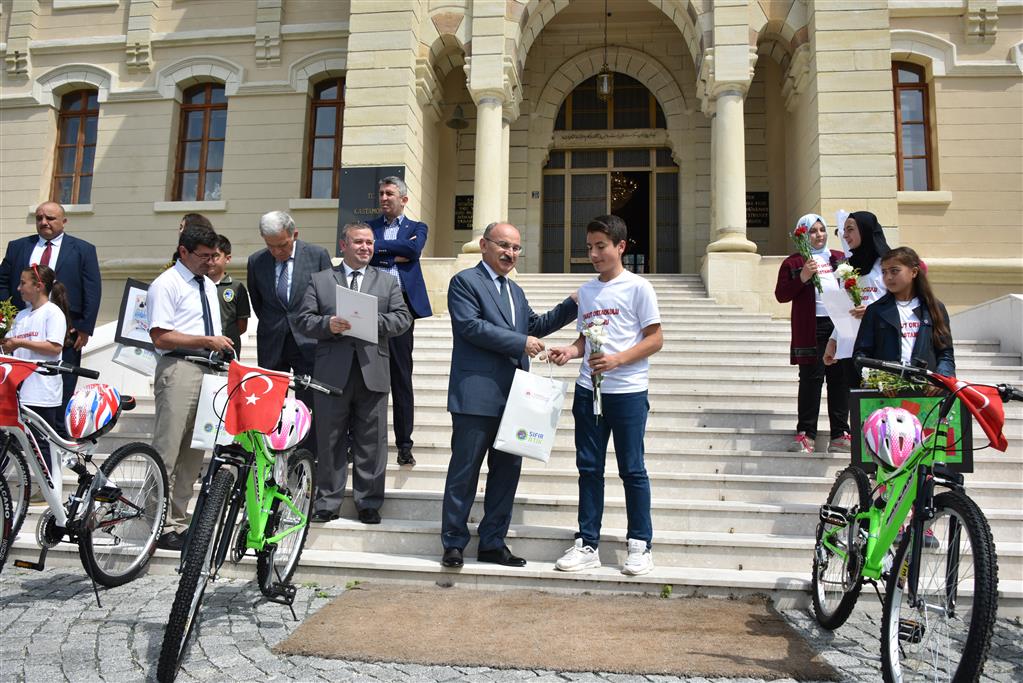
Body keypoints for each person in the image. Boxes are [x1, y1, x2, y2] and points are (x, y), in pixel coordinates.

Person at [440, 222, 578, 569]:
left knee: (506, 475)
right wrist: (520, 343)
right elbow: (470, 326)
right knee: (464, 471)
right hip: (475, 395)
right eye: (503, 245)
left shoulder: (515, 292)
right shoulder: (465, 282)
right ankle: (454, 543)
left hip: (516, 399)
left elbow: (533, 326)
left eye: (516, 248)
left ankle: (492, 543)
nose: (510, 254)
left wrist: (571, 304)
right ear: (484, 245)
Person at [547, 215, 663, 576]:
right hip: (588, 392)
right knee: (589, 468)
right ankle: (587, 543)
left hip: (626, 393)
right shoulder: (587, 292)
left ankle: (640, 544)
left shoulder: (638, 288)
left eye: (601, 247)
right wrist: (570, 350)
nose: (594, 254)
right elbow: (586, 339)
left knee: (632, 469)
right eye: (589, 248)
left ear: (620, 247)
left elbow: (655, 338)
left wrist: (617, 360)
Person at [295, 222, 411, 524]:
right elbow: (303, 320)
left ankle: (369, 502)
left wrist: (373, 321)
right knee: (329, 439)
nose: (365, 248)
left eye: (370, 243)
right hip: (331, 373)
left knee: (372, 441)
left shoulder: (387, 282)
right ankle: (326, 502)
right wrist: (326, 325)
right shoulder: (321, 281)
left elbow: (403, 319)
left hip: (372, 370)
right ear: (343, 245)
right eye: (359, 242)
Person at [147, 224, 235, 551]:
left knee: (194, 454)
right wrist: (205, 341)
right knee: (167, 449)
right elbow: (160, 335)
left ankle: (177, 524)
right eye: (203, 256)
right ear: (183, 251)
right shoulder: (166, 284)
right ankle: (155, 522)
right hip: (180, 367)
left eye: (214, 256)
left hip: (210, 371)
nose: (210, 263)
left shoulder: (209, 286)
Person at [0, 201, 101, 416]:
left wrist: (84, 327)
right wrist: (7, 318)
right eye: (39, 218)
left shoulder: (83, 250)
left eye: (50, 218)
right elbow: (3, 281)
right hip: (24, 325)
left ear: (64, 222)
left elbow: (92, 289)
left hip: (67, 329)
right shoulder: (18, 247)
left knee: (61, 387)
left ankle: (58, 437)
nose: (44, 222)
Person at [247, 210, 331, 458]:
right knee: (271, 399)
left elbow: (328, 300)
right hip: (272, 339)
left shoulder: (316, 256)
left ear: (294, 234)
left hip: (309, 341)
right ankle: (272, 453)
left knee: (311, 401)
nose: (276, 252)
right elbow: (259, 301)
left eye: (282, 245)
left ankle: (309, 456)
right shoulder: (256, 261)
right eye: (270, 246)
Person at [368, 176, 433, 467]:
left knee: (401, 378)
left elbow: (413, 252)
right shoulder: (370, 227)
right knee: (367, 377)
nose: (384, 198)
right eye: (381, 193)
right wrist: (396, 250)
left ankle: (404, 445)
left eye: (389, 193)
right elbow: (365, 253)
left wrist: (381, 251)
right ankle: (362, 441)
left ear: (403, 199)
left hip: (402, 311)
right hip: (370, 307)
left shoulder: (417, 228)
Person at [774, 214, 850, 454]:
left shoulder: (839, 258)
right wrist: (803, 277)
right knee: (811, 379)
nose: (819, 235)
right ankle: (806, 434)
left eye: (822, 230)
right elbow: (781, 295)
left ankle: (840, 434)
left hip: (839, 326)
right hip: (811, 327)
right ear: (803, 235)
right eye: (813, 231)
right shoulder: (794, 262)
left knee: (839, 380)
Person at [1, 264, 69, 476]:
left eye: (23, 283)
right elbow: (11, 347)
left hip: (42, 391)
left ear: (39, 286)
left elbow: (54, 347)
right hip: (19, 389)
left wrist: (19, 343)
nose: (19, 288)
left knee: (42, 443)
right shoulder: (21, 315)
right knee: (7, 438)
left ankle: (49, 486)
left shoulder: (53, 313)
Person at [854, 246, 955, 385]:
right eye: (884, 272)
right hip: (887, 394)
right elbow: (861, 356)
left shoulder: (934, 308)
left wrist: (939, 382)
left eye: (894, 271)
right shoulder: (875, 311)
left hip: (927, 391)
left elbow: (945, 353)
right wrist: (880, 382)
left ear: (913, 272)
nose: (888, 277)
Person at [823, 210, 890, 373]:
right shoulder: (847, 267)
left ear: (865, 229)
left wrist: (872, 312)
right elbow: (844, 309)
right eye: (844, 230)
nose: (845, 235)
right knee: (851, 397)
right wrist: (833, 340)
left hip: (879, 345)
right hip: (850, 347)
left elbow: (901, 301)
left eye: (850, 229)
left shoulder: (887, 264)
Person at [209, 234, 250, 355]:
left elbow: (242, 326)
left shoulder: (236, 287)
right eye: (207, 256)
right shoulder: (196, 285)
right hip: (202, 349)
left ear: (227, 258)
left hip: (229, 349)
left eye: (215, 255)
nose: (210, 261)